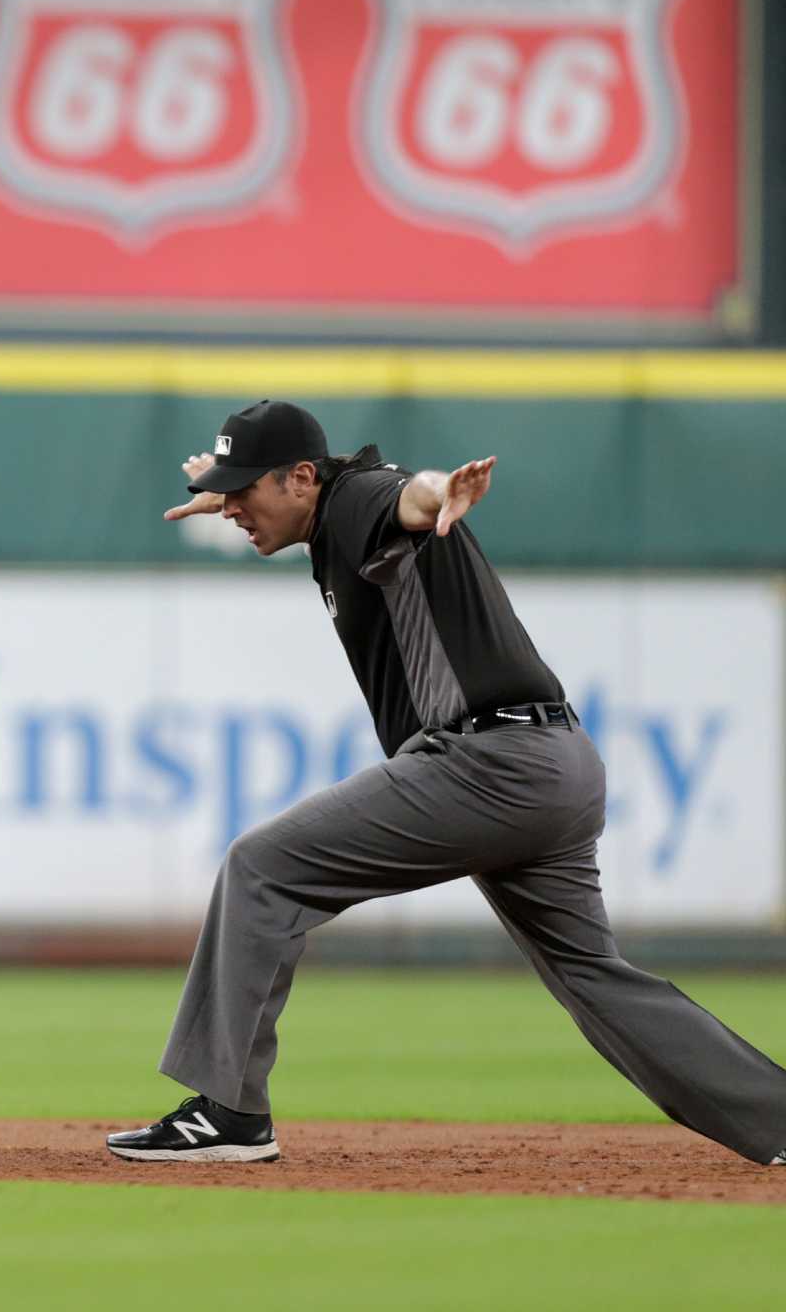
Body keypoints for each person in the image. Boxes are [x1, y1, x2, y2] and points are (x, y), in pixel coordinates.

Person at [106, 399, 786, 1166]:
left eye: (243, 492)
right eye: (224, 490)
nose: (230, 508)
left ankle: (231, 1114)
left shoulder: (360, 498)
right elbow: (332, 495)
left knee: (262, 869)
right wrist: (227, 479)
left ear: (302, 477)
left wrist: (440, 493)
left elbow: (413, 495)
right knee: (595, 977)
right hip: (556, 766)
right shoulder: (326, 509)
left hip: (487, 764)